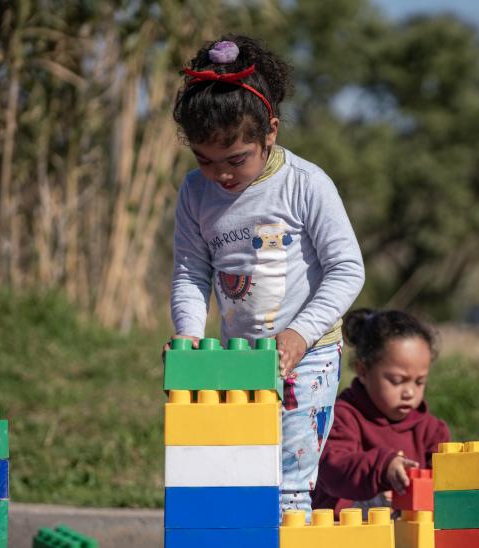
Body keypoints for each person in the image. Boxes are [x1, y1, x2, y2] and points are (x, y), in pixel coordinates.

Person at [166, 34, 365, 515]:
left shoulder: (305, 184)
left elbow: (347, 269)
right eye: (204, 160)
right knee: (237, 472)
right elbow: (191, 273)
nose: (222, 176)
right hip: (236, 360)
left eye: (236, 160)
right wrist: (189, 335)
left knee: (290, 483)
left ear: (269, 132)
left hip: (308, 356)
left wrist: (299, 335)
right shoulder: (196, 193)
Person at [312, 309, 450, 517]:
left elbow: (446, 488)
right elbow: (333, 471)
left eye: (419, 382)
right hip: (349, 531)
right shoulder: (342, 417)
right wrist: (382, 467)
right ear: (363, 371)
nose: (410, 392)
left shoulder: (432, 431)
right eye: (397, 380)